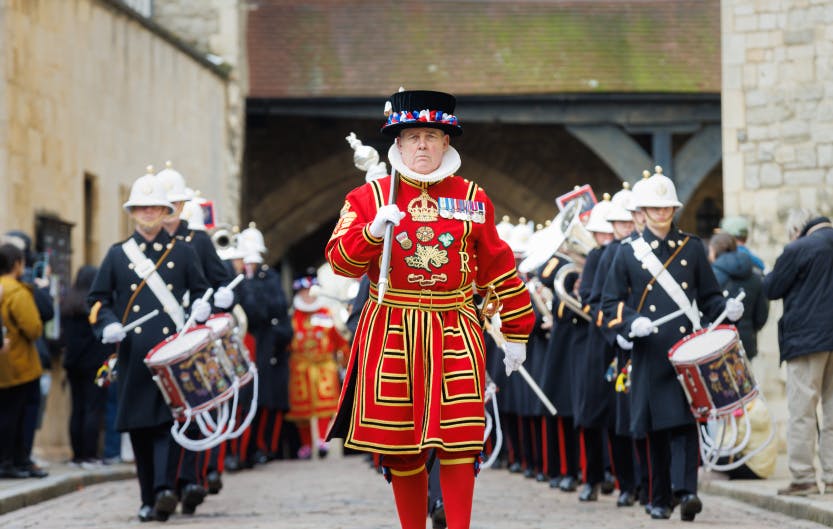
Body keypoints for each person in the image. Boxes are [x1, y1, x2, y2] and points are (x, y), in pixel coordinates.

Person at [325, 89, 535, 529]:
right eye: (414, 136)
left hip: (455, 326)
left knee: (460, 440)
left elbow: (498, 267)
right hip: (393, 327)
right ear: (398, 144)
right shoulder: (369, 197)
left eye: (432, 136)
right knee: (402, 445)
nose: (422, 144)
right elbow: (341, 261)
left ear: (447, 143)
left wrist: (516, 329)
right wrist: (372, 231)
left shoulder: (473, 197)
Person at [600, 167, 744, 521]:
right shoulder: (627, 252)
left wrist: (728, 309)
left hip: (686, 347)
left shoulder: (692, 248)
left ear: (673, 210)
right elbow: (609, 302)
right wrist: (634, 322)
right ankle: (659, 496)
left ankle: (687, 492)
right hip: (650, 350)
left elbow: (709, 298)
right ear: (644, 212)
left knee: (684, 423)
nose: (662, 214)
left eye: (666, 208)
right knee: (656, 429)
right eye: (655, 208)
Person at [88, 168, 212, 522]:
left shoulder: (184, 252)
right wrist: (109, 324)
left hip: (172, 352)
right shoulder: (117, 255)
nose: (147, 213)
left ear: (164, 211)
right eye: (141, 208)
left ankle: (163, 489)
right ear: (133, 212)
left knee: (168, 425)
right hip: (134, 355)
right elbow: (97, 300)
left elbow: (202, 289)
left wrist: (202, 305)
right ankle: (147, 496)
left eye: (154, 207)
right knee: (141, 428)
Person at [158, 162, 236, 513]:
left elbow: (221, 282)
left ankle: (190, 479)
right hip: (160, 337)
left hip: (190, 334)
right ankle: (164, 484)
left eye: (173, 204)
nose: (168, 211)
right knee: (162, 416)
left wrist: (221, 299)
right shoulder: (144, 246)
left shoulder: (198, 240)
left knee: (194, 409)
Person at [763, 208, 833, 496]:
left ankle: (803, 476)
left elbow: (771, 287)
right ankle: (831, 476)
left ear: (796, 229)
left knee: (802, 410)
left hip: (807, 338)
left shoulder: (799, 247)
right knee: (832, 411)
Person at [286, 273, 348, 458]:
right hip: (300, 367)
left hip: (323, 367)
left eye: (311, 292)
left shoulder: (325, 313)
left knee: (325, 407)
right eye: (305, 292)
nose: (308, 296)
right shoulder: (292, 316)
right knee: (301, 410)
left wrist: (346, 359)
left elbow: (337, 339)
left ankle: (321, 440)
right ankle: (305, 445)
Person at [0, 243, 44, 479]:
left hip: (3, 366)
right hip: (20, 365)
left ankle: (7, 460)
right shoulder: (17, 292)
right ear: (17, 264)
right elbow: (33, 328)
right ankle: (15, 460)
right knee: (20, 416)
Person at [60, 265, 111, 467]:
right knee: (93, 408)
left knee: (77, 408)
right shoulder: (96, 306)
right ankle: (90, 454)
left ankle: (77, 454)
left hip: (73, 363)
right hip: (94, 364)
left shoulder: (68, 303)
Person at [708, 232, 769, 360]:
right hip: (746, 341)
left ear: (713, 251)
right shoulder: (756, 275)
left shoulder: (711, 276)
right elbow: (761, 316)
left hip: (717, 344)